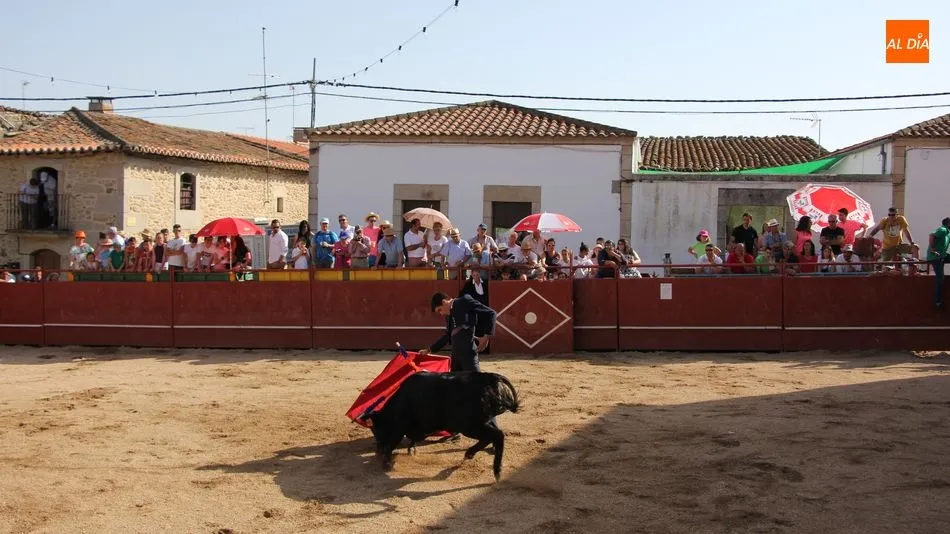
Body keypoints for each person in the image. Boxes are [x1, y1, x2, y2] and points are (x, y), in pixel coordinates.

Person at [419, 292, 497, 373]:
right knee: (456, 384)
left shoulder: (464, 301)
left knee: (475, 383)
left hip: (468, 355)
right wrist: (429, 349)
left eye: (440, 310)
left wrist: (486, 336)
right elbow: (448, 336)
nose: (441, 313)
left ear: (444, 302)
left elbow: (491, 313)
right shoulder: (448, 316)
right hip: (455, 357)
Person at [927, 217, 950, 308]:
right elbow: (932, 236)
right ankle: (938, 301)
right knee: (940, 278)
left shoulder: (948, 233)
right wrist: (932, 249)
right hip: (935, 257)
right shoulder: (943, 229)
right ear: (948, 223)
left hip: (942, 255)